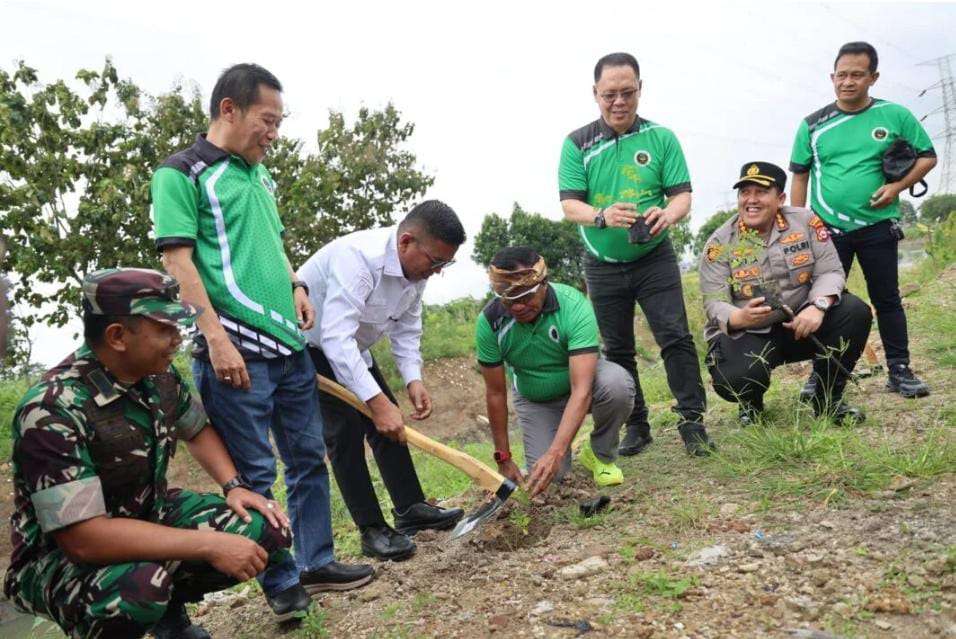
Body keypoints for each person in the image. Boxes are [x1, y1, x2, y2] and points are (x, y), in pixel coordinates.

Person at [151, 63, 372, 621]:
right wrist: (216, 339)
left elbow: (271, 245)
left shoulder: (260, 175)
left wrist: (296, 284)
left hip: (287, 346)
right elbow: (178, 261)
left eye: (279, 121)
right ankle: (281, 579)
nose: (274, 132)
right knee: (254, 474)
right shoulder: (182, 174)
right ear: (230, 110)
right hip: (236, 350)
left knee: (306, 458)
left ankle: (317, 561)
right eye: (267, 120)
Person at [2, 268, 294, 639]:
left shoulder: (157, 375)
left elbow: (196, 428)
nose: (177, 339)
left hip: (147, 513)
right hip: (60, 557)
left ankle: (169, 621)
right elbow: (84, 539)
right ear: (117, 336)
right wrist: (208, 544)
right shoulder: (52, 409)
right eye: (164, 329)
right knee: (139, 589)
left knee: (262, 527)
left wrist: (234, 485)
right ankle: (137, 615)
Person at [559, 51, 713, 458]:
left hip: (654, 257)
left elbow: (682, 195)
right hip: (602, 265)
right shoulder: (576, 145)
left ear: (640, 90)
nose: (619, 102)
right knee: (618, 348)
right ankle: (638, 425)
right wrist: (601, 215)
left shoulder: (661, 138)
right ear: (595, 93)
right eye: (610, 94)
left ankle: (692, 422)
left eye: (628, 92)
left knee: (675, 337)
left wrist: (669, 214)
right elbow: (569, 206)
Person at [297, 201, 466, 561]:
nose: (436, 272)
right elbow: (334, 339)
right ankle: (371, 531)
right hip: (311, 349)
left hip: (352, 350)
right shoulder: (357, 260)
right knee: (344, 433)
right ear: (406, 242)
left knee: (390, 425)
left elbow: (406, 328)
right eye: (435, 262)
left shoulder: (415, 272)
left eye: (444, 265)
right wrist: (376, 403)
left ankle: (409, 509)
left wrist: (413, 379)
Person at [790, 41, 937, 399]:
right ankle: (821, 376)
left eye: (857, 74)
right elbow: (799, 176)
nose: (848, 82)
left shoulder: (895, 115)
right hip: (828, 231)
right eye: (841, 75)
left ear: (874, 77)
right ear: (832, 77)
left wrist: (897, 187)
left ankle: (899, 371)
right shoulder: (812, 125)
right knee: (824, 301)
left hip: (878, 226)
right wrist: (801, 227)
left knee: (887, 300)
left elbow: (927, 157)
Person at [700, 163, 873, 425]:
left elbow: (831, 272)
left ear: (780, 198)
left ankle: (827, 399)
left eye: (761, 192)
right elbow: (714, 300)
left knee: (855, 312)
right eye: (745, 192)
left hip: (801, 325)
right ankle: (751, 403)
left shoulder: (805, 222)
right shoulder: (719, 242)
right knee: (736, 378)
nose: (751, 200)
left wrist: (819, 306)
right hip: (750, 333)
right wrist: (739, 318)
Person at [475, 247, 635, 494]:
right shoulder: (490, 323)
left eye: (526, 296)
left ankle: (600, 455)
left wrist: (556, 452)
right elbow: (495, 394)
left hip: (583, 386)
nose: (518, 307)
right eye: (509, 299)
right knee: (550, 479)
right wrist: (503, 458)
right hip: (536, 400)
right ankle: (558, 456)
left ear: (544, 284)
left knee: (617, 385)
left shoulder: (572, 306)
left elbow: (581, 389)